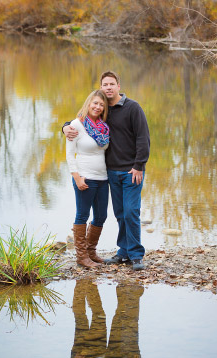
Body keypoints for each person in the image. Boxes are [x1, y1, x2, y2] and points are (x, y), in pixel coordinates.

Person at [63, 71, 150, 271]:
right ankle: (123, 252)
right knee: (119, 213)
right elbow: (80, 123)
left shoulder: (132, 108)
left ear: (119, 86)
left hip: (131, 171)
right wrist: (65, 127)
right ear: (101, 88)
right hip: (110, 172)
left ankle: (136, 255)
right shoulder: (102, 115)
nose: (108, 87)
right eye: (105, 84)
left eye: (112, 84)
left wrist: (139, 165)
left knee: (130, 212)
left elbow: (143, 138)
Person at [66, 89, 111, 268]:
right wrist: (77, 178)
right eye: (95, 103)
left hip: (103, 178)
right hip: (85, 177)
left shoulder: (104, 127)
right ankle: (81, 257)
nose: (98, 107)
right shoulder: (76, 125)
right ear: (88, 104)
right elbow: (70, 155)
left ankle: (91, 252)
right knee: (83, 214)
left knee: (101, 215)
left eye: (101, 104)